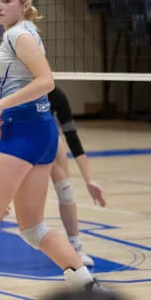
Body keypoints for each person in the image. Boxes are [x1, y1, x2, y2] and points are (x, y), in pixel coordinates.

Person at [0, 0, 109, 299]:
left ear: (24, 5)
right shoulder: (23, 31)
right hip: (35, 130)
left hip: (27, 133)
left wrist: (0, 106)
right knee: (32, 229)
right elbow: (23, 85)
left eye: (7, 1)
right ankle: (86, 284)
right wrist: (2, 128)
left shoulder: (20, 34)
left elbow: (46, 82)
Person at [49, 86, 107, 267]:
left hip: (49, 139)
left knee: (66, 190)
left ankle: (75, 247)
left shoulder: (56, 94)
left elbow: (72, 137)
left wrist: (88, 180)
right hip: (22, 139)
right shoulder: (15, 87)